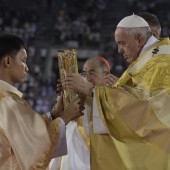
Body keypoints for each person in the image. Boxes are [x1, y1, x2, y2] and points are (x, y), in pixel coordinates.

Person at [65, 14, 170, 169]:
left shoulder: (162, 63)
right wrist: (84, 95)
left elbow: (150, 110)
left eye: (122, 43)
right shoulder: (144, 61)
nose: (119, 50)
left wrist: (91, 90)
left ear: (140, 39)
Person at [0, 33, 83, 170]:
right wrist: (66, 117)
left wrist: (54, 114)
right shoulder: (8, 102)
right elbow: (35, 155)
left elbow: (28, 132)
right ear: (8, 61)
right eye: (23, 61)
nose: (27, 68)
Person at [49, 56, 111, 170]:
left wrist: (91, 93)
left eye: (92, 73)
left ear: (106, 76)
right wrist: (63, 100)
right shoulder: (76, 99)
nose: (87, 78)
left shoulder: (112, 101)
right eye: (84, 74)